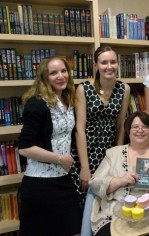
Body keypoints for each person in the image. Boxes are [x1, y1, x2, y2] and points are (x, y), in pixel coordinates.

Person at [18, 56, 82, 236]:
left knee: (74, 230)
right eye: (53, 73)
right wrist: (60, 158)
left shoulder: (67, 99)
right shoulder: (37, 104)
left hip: (63, 180)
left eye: (63, 71)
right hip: (40, 186)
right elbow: (24, 147)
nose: (60, 76)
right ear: (44, 77)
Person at [70, 46, 130, 204]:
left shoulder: (124, 89)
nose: (109, 66)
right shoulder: (84, 89)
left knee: (107, 198)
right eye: (104, 62)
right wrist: (84, 166)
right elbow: (79, 129)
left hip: (109, 152)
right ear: (96, 65)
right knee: (86, 199)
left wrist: (116, 158)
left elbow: (121, 127)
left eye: (113, 62)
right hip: (86, 152)